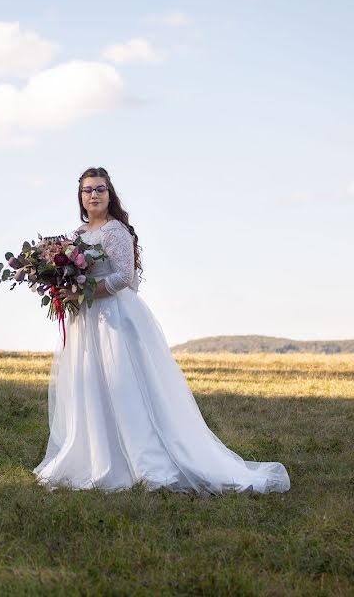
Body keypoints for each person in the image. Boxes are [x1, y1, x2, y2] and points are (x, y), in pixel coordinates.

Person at [33, 167, 290, 494]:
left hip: (114, 319)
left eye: (100, 189)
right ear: (80, 197)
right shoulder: (77, 235)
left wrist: (82, 292)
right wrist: (60, 285)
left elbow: (124, 277)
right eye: (87, 190)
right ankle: (95, 455)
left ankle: (145, 460)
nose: (94, 195)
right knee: (93, 384)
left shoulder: (115, 232)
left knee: (125, 386)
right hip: (87, 321)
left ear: (109, 195)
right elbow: (72, 272)